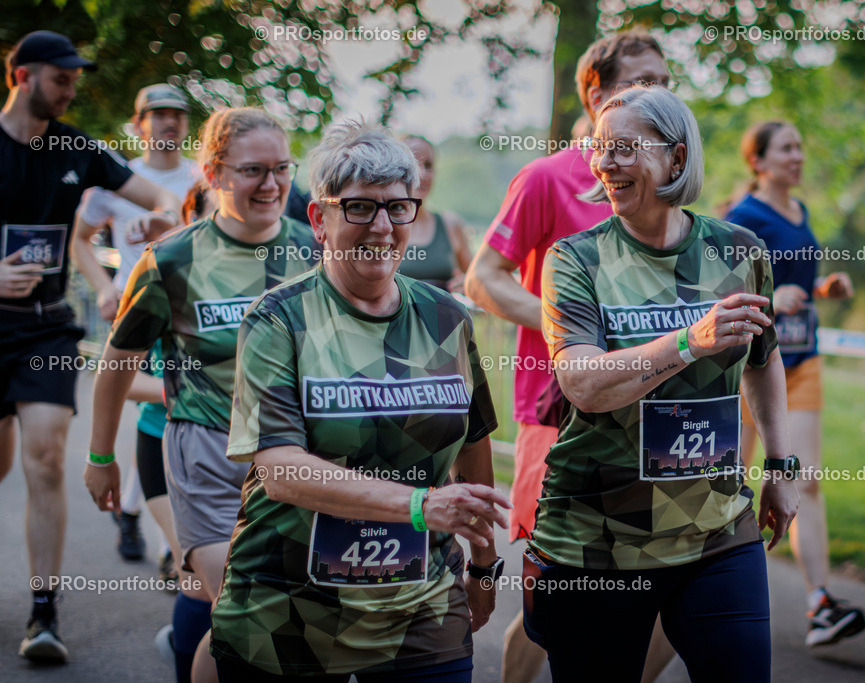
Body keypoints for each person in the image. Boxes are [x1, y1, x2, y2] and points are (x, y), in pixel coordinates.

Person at [208, 120, 510, 680]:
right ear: (319, 220)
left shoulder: (447, 317)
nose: (381, 226)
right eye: (359, 208)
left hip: (421, 606)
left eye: (398, 208)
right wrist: (419, 506)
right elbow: (279, 470)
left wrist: (485, 566)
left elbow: (473, 445)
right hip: (288, 611)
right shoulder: (279, 320)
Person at [523, 85, 800, 683]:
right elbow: (582, 384)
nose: (605, 163)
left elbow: (763, 358)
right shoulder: (576, 259)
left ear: (676, 159)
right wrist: (686, 341)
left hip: (716, 530)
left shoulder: (740, 250)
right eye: (598, 148)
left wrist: (780, 465)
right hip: (598, 537)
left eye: (623, 147)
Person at [464, 31, 678, 683]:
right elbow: (482, 279)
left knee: (672, 576)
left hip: (647, 409)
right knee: (558, 586)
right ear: (595, 94)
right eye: (643, 82)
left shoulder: (666, 173)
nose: (659, 94)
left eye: (666, 83)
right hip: (560, 410)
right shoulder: (548, 176)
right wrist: (567, 328)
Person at [83, 107, 320, 682]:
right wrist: (100, 457)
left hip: (299, 455)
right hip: (206, 455)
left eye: (281, 169)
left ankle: (187, 657)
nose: (271, 185)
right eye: (253, 171)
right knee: (244, 601)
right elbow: (116, 365)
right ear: (213, 173)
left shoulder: (317, 251)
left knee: (283, 612)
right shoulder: (171, 260)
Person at [0, 30, 180, 662]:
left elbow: (157, 194)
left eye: (76, 77)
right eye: (61, 77)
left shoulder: (75, 146)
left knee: (46, 455)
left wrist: (161, 215)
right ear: (22, 76)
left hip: (45, 327)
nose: (72, 87)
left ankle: (44, 613)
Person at [725, 120, 865, 648]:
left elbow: (796, 284)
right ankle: (707, 588)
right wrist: (771, 298)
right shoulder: (742, 218)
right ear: (758, 161)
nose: (798, 156)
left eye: (801, 146)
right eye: (787, 148)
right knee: (731, 485)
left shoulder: (801, 213)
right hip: (751, 368)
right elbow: (724, 290)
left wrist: (823, 288)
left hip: (802, 363)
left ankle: (820, 605)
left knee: (806, 480)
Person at [72, 83, 202, 570]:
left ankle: (161, 536)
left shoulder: (200, 178)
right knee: (146, 404)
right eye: (159, 113)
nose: (170, 122)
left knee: (171, 414)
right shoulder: (118, 180)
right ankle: (139, 513)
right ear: (140, 122)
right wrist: (104, 287)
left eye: (178, 114)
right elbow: (81, 242)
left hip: (188, 314)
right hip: (134, 314)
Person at [396, 135, 472, 291]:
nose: (422, 174)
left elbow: (477, 280)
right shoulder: (381, 225)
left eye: (429, 165)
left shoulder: (450, 224)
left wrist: (467, 286)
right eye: (414, 164)